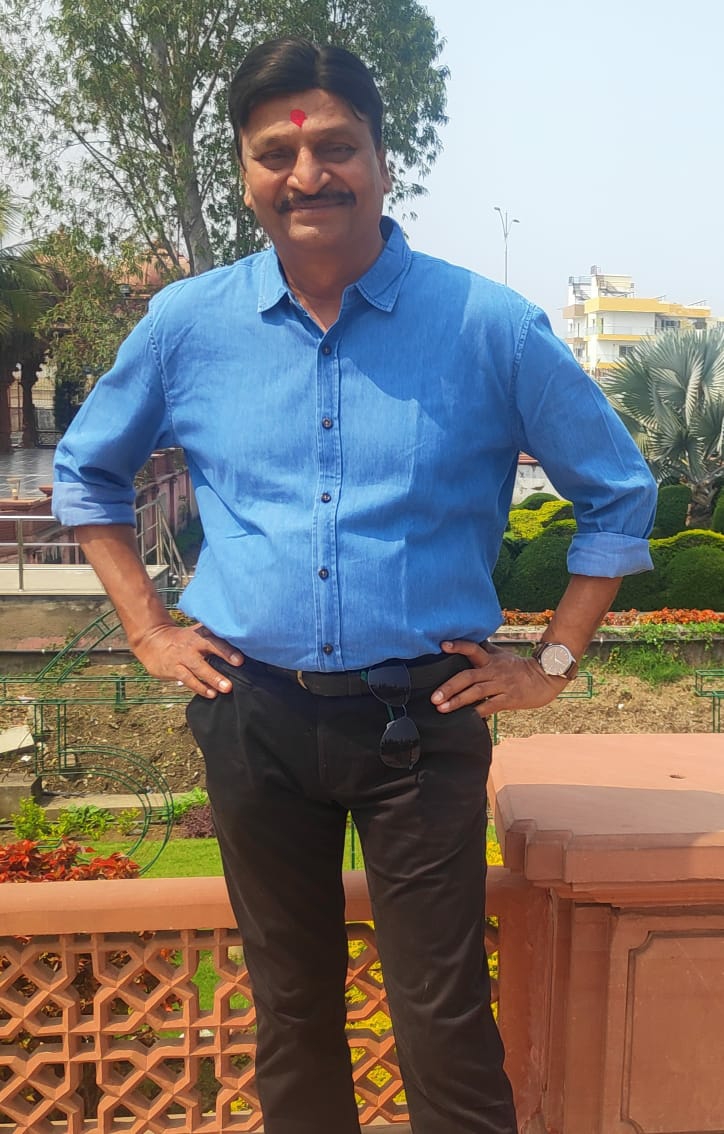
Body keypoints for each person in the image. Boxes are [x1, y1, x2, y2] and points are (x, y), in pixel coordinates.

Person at [53, 37, 657, 1134]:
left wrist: (554, 662)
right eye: (275, 153)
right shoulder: (188, 326)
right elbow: (86, 472)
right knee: (288, 1010)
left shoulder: (486, 326)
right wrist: (147, 629)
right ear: (246, 171)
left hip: (421, 719)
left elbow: (617, 492)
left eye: (335, 146)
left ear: (382, 160)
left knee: (442, 1018)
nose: (307, 174)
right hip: (252, 713)